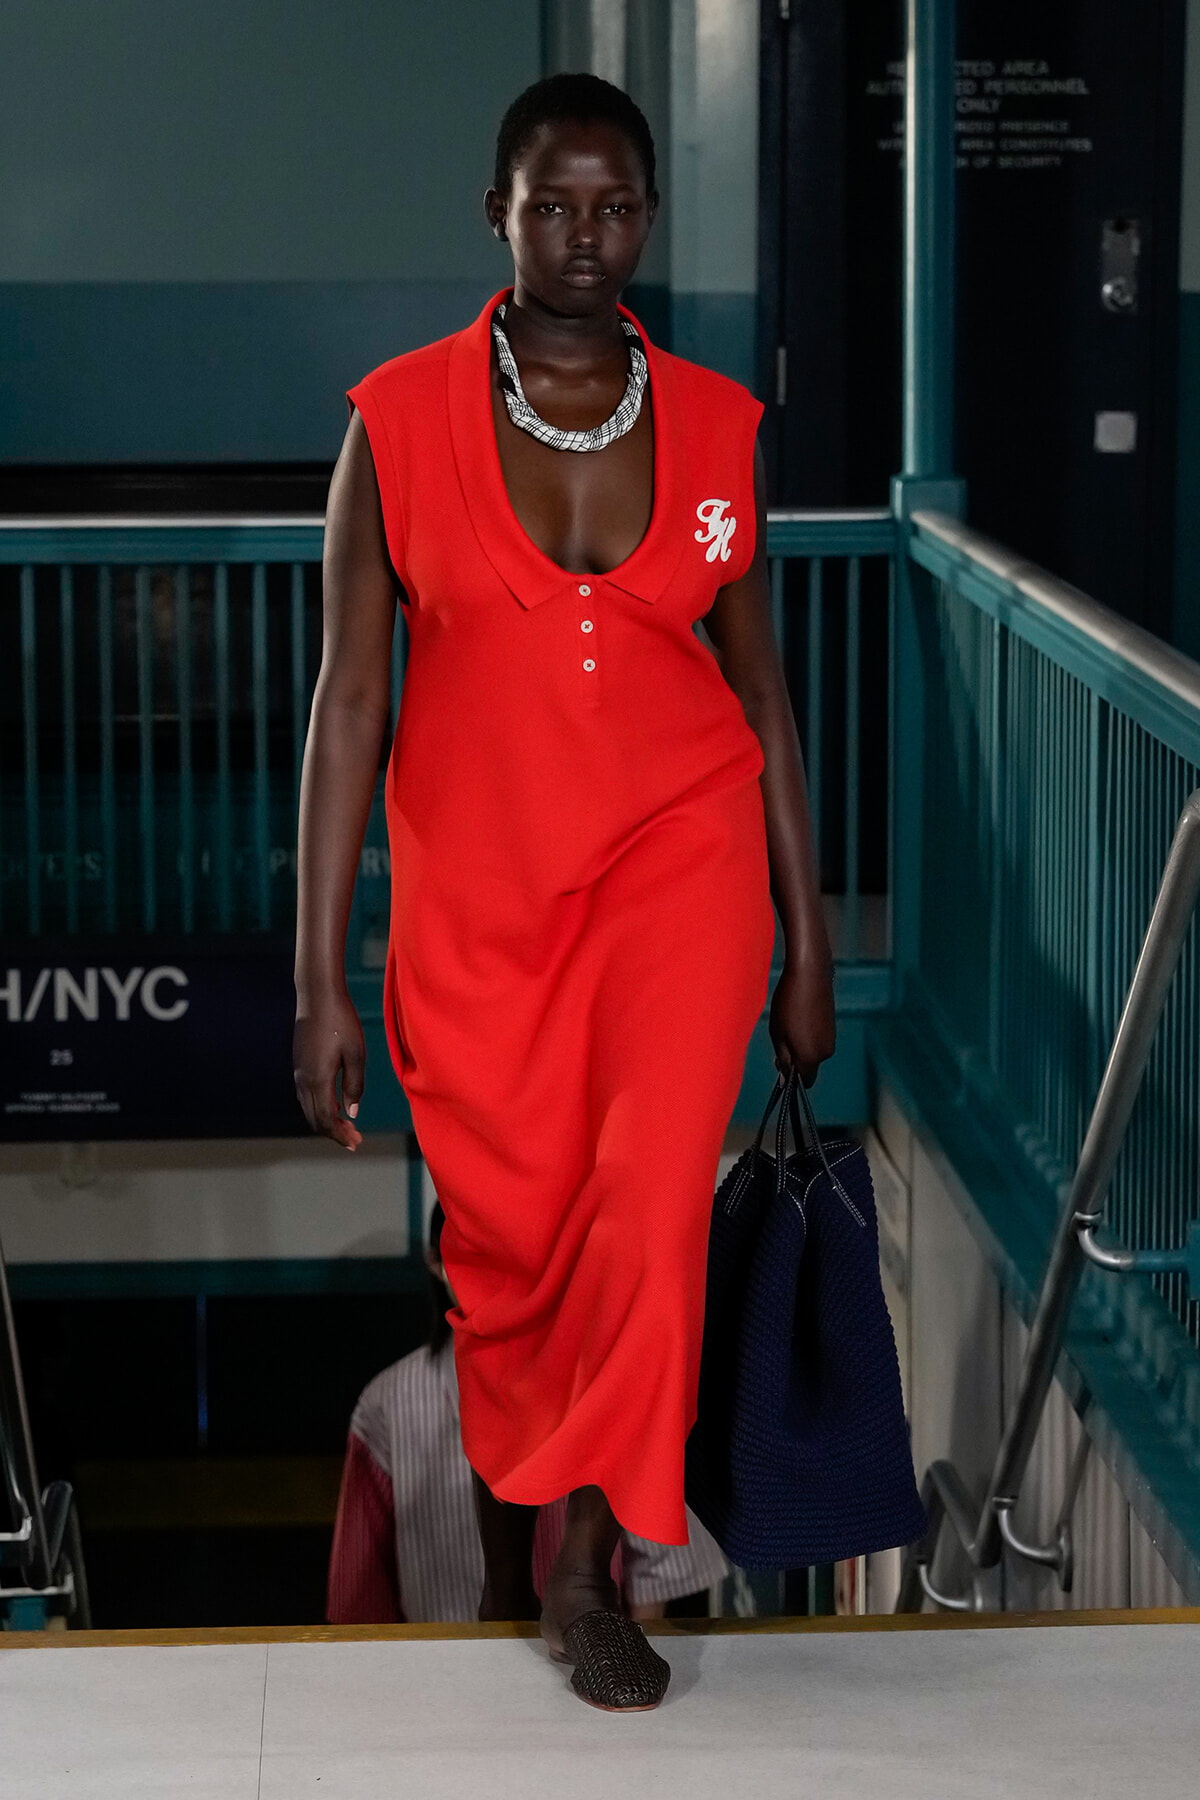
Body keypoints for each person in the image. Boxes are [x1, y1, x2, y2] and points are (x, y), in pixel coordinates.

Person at [293, 72, 834, 1710]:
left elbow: (763, 700)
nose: (584, 237)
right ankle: (543, 1505)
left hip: (683, 864)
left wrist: (806, 940)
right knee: (514, 1236)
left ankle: (592, 1559)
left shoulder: (726, 438)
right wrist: (318, 975)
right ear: (497, 215)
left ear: (648, 218)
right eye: (552, 205)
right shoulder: (395, 423)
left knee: (653, 1205)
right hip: (483, 906)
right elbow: (351, 703)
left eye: (612, 207)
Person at [326, 1202, 729, 1625]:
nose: (491, 1275)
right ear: (436, 1261)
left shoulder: (598, 1377)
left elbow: (658, 1562)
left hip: (581, 1649)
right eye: (473, 1255)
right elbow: (362, 1587)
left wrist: (628, 1644)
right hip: (440, 1659)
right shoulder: (388, 1402)